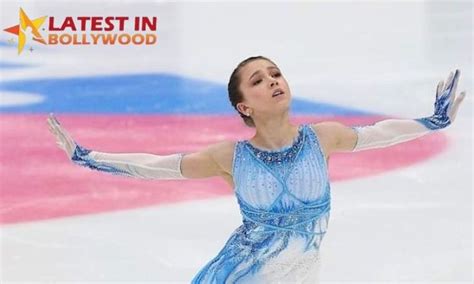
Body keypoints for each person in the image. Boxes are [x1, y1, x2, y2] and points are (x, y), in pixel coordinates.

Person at [47, 55, 466, 283]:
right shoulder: (230, 157)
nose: (272, 81)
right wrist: (90, 156)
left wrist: (433, 121)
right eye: (259, 80)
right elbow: (161, 167)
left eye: (276, 73)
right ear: (244, 106)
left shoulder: (323, 138)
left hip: (302, 274)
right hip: (242, 274)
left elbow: (380, 133)